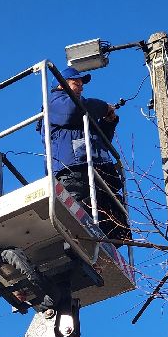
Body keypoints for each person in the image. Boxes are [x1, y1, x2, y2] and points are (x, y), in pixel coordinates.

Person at [48, 66, 129, 241]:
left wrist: (108, 122)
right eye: (76, 83)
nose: (81, 87)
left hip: (97, 170)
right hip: (73, 169)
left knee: (114, 225)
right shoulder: (55, 102)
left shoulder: (82, 111)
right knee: (76, 220)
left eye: (81, 84)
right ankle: (74, 245)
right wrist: (104, 107)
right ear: (61, 85)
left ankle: (107, 246)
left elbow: (100, 142)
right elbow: (71, 111)